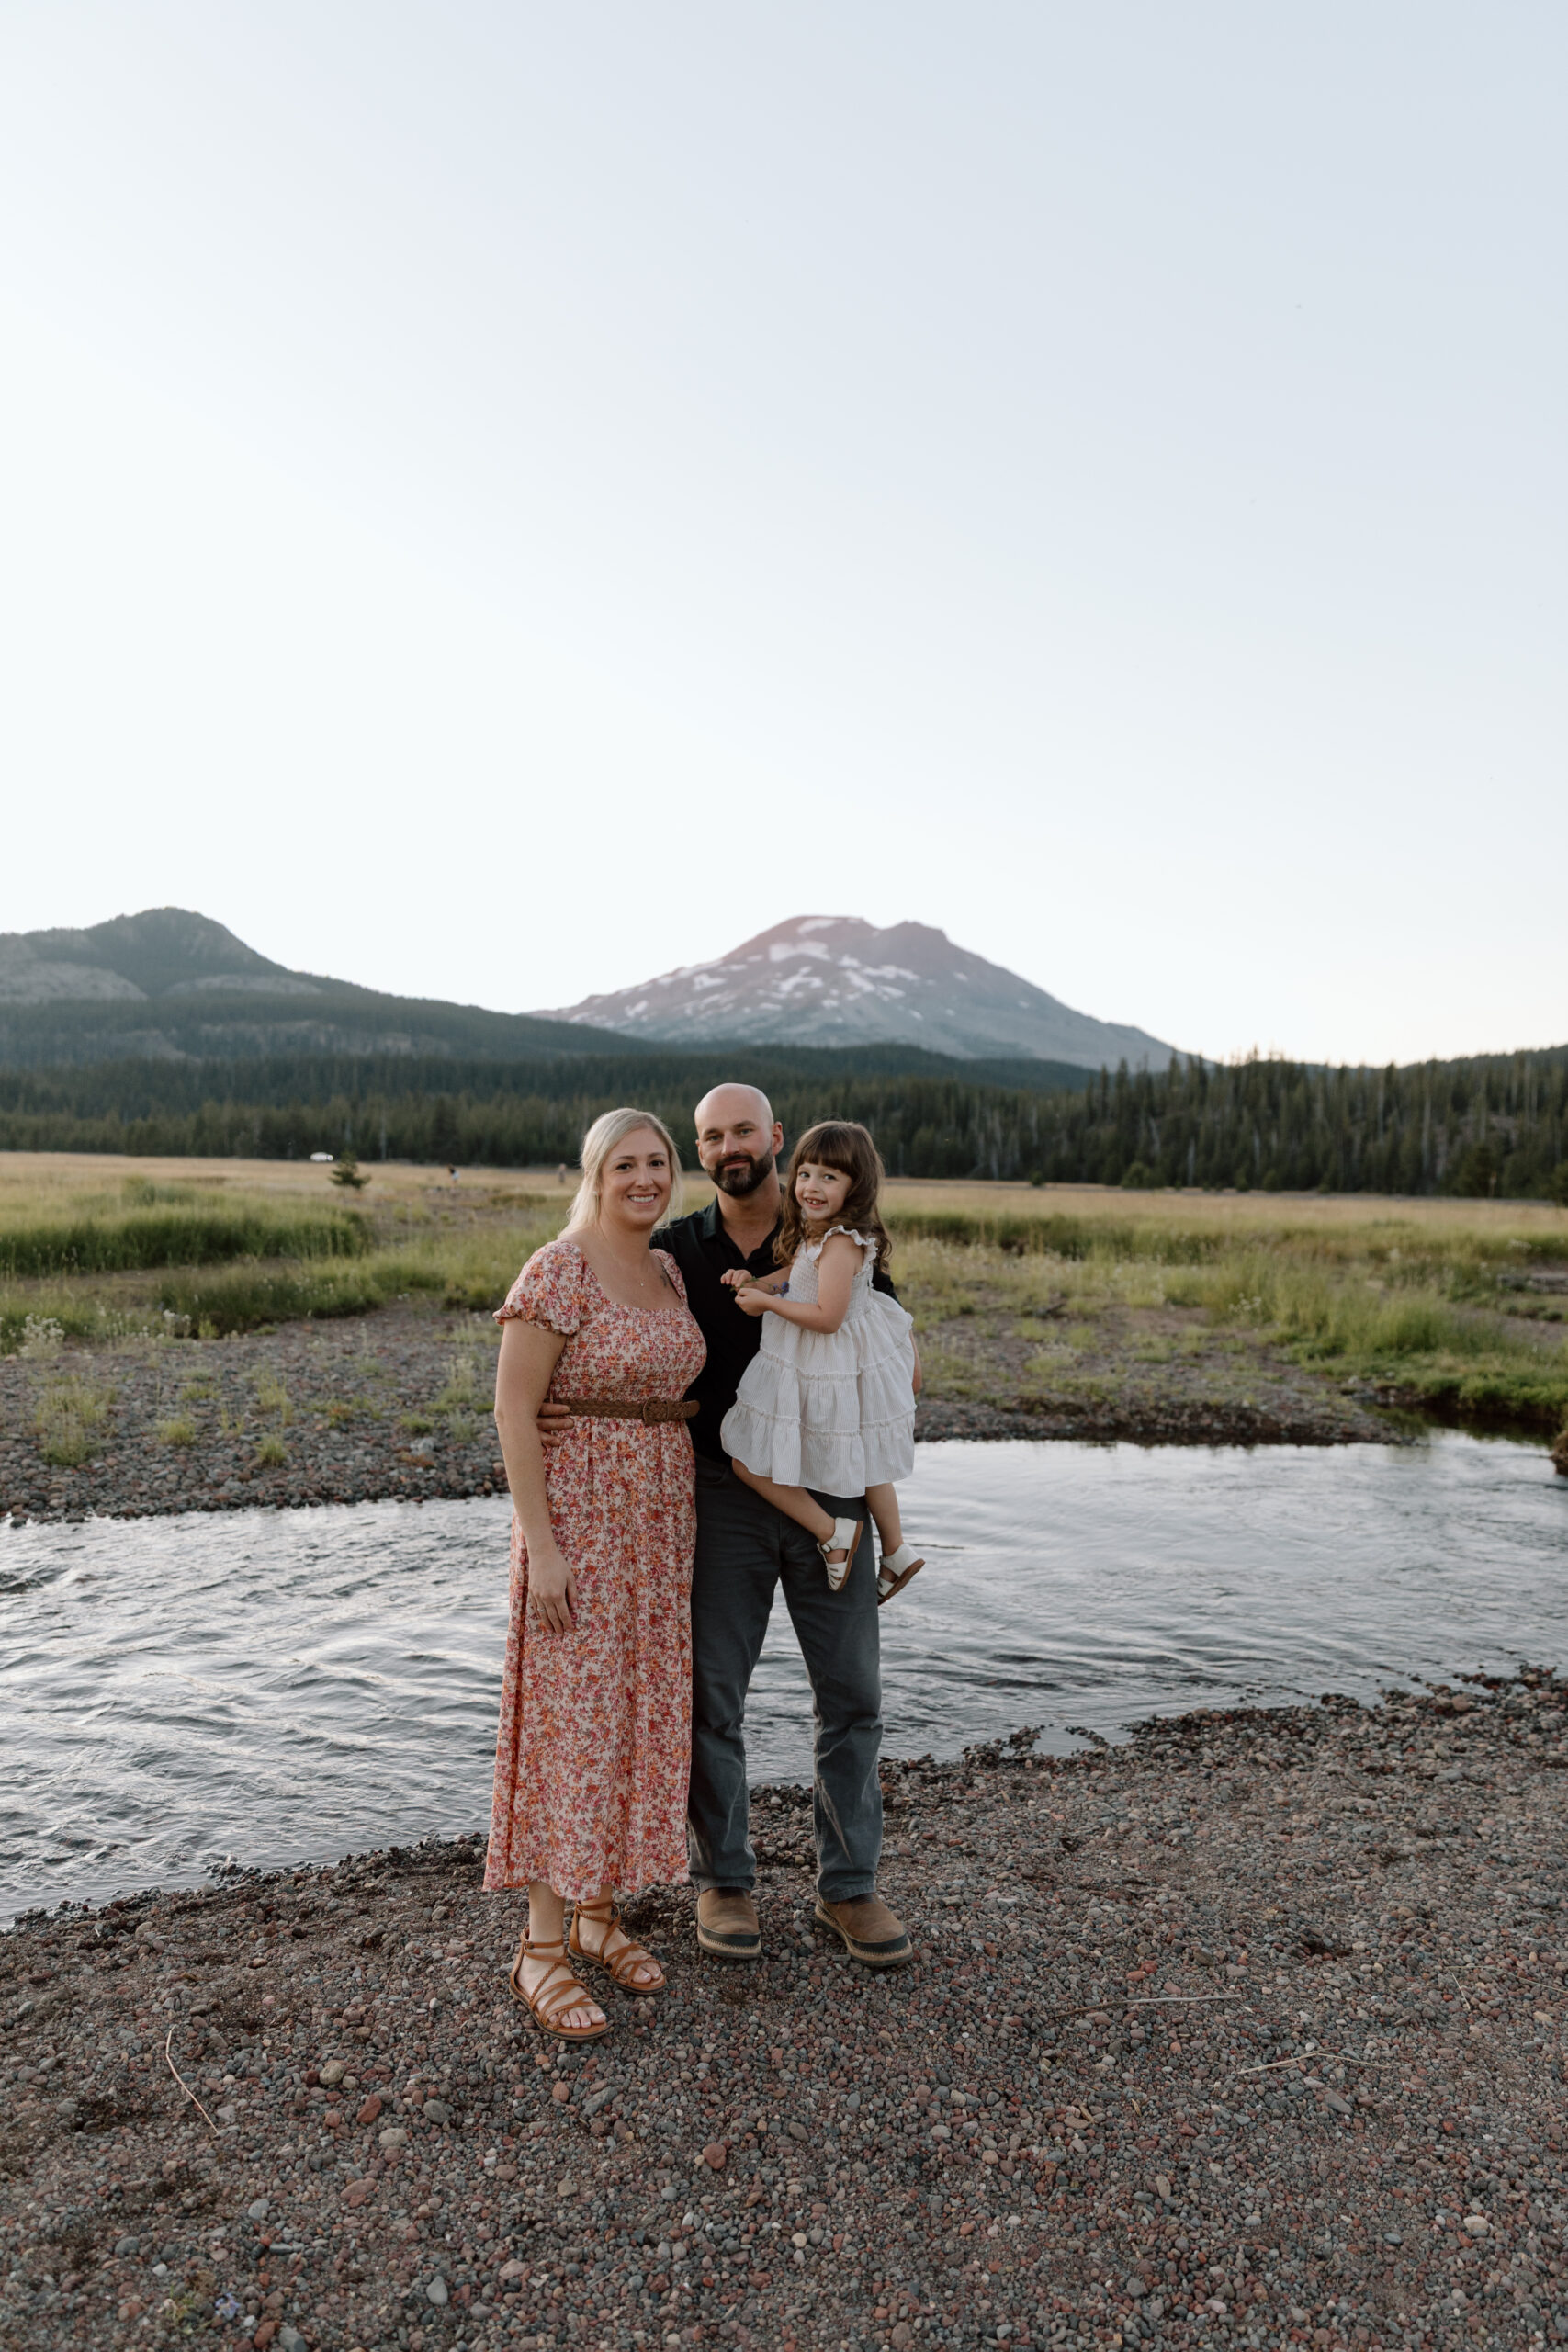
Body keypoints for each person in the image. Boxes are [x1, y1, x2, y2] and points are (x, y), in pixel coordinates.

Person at [540, 1083, 918, 1971]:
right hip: (717, 1496)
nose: (726, 1147)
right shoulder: (673, 1250)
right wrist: (559, 1407)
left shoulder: (833, 1232)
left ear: (774, 1138)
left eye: (742, 1130)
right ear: (701, 1154)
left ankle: (849, 1888)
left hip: (834, 1498)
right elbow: (590, 1321)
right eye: (709, 1137)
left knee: (852, 1695)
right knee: (711, 1699)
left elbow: (885, 1344)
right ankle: (725, 1878)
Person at [487, 1107, 706, 2040]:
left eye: (658, 1162)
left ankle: (598, 1912)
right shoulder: (558, 1266)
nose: (645, 1178)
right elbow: (511, 1408)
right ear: (595, 1171)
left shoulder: (664, 1267)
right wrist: (542, 1544)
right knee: (571, 1718)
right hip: (579, 1521)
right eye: (626, 1164)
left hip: (659, 1528)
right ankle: (539, 1947)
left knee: (631, 1708)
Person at [719, 1120, 924, 1602]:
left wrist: (767, 1304)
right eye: (806, 1173)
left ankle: (833, 1531)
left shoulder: (840, 1242)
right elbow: (795, 1275)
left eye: (829, 1177)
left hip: (830, 1361)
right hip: (839, 1363)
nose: (811, 1186)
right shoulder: (823, 1236)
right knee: (867, 1454)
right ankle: (894, 1548)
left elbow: (827, 1316)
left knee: (748, 1460)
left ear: (857, 1186)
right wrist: (757, 1282)